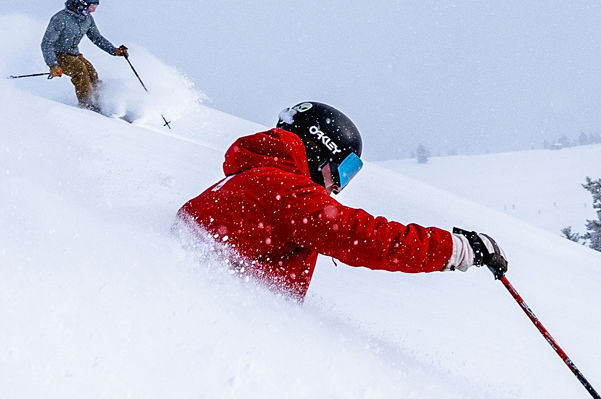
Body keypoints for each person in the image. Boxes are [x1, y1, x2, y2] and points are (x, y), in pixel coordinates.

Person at [179, 102, 508, 299]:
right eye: (343, 170)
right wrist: (458, 248)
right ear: (319, 148)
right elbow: (363, 237)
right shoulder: (281, 188)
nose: (337, 186)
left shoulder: (248, 180)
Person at [42, 0, 128, 113]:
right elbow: (47, 43)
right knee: (80, 70)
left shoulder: (87, 19)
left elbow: (96, 37)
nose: (92, 11)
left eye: (94, 8)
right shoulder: (60, 19)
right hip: (59, 55)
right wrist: (53, 65)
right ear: (81, 4)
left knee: (91, 72)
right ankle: (87, 106)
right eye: (91, 7)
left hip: (74, 54)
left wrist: (114, 50)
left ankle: (102, 103)